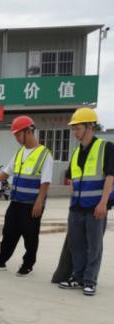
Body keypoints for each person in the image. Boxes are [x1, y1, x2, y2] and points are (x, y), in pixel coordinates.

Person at [0, 116, 53, 276]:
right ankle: (1, 260)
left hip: (32, 204)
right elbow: (6, 172)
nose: (16, 138)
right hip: (16, 201)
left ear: (29, 131)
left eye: (18, 134)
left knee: (30, 235)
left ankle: (28, 264)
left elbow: (46, 181)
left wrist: (39, 202)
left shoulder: (44, 154)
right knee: (8, 232)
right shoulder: (20, 152)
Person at [58, 108, 114, 296]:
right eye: (73, 128)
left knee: (94, 246)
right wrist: (72, 201)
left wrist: (103, 203)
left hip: (95, 207)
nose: (75, 132)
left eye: (78, 128)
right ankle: (78, 277)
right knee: (77, 245)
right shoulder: (76, 152)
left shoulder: (105, 147)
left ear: (90, 126)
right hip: (76, 207)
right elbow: (73, 179)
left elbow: (110, 176)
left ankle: (90, 281)